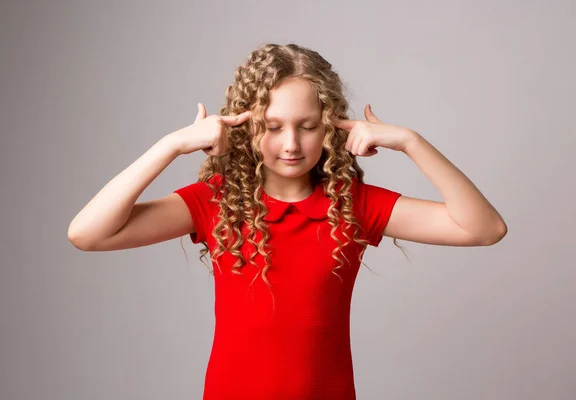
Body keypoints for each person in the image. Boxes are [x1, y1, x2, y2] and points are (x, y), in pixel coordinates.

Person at [68, 43, 507, 400]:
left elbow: (484, 229)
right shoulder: (216, 202)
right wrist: (170, 146)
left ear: (330, 127)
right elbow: (88, 233)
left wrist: (411, 142)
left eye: (307, 126)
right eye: (272, 126)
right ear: (245, 126)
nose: (291, 144)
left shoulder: (351, 205)